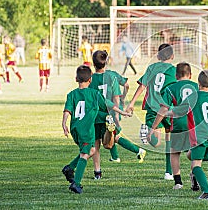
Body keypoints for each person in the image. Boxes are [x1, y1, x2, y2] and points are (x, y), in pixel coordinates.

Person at [165, 70, 208, 199]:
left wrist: (163, 113)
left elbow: (177, 112)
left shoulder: (193, 97)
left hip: (199, 135)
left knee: (195, 166)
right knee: (190, 155)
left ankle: (207, 192)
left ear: (198, 83)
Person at [89, 50, 145, 179]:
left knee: (99, 142)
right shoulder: (112, 75)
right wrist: (122, 101)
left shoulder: (91, 78)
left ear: (93, 63)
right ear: (106, 62)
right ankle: (116, 157)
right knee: (113, 136)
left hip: (97, 114)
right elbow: (124, 87)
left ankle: (98, 171)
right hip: (112, 110)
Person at [126, 43, 177, 180]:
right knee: (166, 140)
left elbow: (142, 86)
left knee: (160, 141)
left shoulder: (152, 67)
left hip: (155, 106)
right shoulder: (174, 70)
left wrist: (132, 103)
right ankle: (168, 172)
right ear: (172, 56)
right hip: (167, 108)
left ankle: (168, 171)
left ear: (158, 55)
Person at [148, 62, 199, 189]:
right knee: (195, 153)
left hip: (178, 124)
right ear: (191, 75)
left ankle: (178, 182)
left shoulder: (171, 89)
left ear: (176, 76)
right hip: (194, 125)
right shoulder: (197, 87)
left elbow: (163, 109)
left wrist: (153, 128)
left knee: (174, 152)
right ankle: (195, 176)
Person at [61, 65, 107, 194]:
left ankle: (69, 168)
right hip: (86, 130)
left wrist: (64, 124)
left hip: (75, 129)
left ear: (76, 79)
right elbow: (106, 107)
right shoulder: (95, 94)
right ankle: (76, 183)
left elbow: (67, 110)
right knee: (85, 154)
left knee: (91, 150)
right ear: (90, 80)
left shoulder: (72, 94)